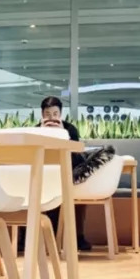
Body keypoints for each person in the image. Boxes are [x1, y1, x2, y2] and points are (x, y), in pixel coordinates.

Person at [39, 96, 93, 252]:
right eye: (47, 114)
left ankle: (76, 238)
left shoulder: (70, 129)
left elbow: (76, 155)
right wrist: (42, 132)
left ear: (60, 114)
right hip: (44, 175)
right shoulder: (35, 130)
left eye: (55, 114)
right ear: (42, 114)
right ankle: (27, 239)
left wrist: (62, 134)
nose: (51, 118)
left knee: (72, 191)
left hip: (68, 175)